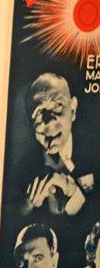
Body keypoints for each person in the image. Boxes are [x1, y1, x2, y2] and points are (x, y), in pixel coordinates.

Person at [19, 73, 92, 218]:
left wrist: (76, 196)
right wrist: (27, 206)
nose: (50, 121)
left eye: (58, 105)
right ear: (29, 123)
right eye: (39, 112)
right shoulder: (21, 169)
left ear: (73, 110)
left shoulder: (95, 152)